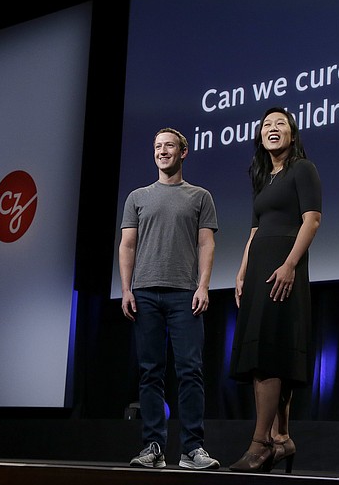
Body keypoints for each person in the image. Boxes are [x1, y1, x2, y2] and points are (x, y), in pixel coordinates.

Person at [119, 127, 220, 470]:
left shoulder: (200, 196)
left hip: (184, 294)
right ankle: (153, 446)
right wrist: (127, 288)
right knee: (150, 373)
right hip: (145, 293)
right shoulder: (137, 197)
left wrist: (203, 286)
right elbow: (127, 244)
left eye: (169, 146)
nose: (162, 151)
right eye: (158, 146)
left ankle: (192, 449)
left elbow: (207, 243)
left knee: (190, 371)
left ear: (183, 152)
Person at [228, 107, 322, 473]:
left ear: (293, 135)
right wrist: (241, 271)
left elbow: (312, 220)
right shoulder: (263, 178)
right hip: (259, 271)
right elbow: (254, 231)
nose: (273, 128)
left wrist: (290, 264)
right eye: (267, 124)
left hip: (284, 267)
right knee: (261, 354)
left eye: (280, 123)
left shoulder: (303, 169)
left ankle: (260, 443)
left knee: (271, 353)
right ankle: (281, 438)